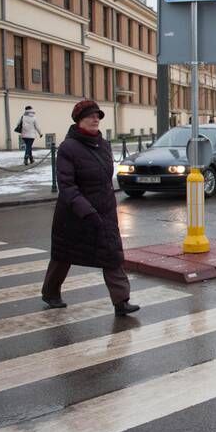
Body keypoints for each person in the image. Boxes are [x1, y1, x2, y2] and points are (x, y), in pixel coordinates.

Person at [41, 99, 139, 316]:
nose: (95, 119)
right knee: (63, 255)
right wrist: (86, 210)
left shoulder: (103, 145)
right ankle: (50, 292)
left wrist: (108, 204)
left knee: (112, 254)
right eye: (90, 116)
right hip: (74, 215)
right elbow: (67, 186)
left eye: (98, 116)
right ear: (79, 120)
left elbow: (105, 179)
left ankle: (121, 301)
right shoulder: (68, 148)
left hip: (103, 212)